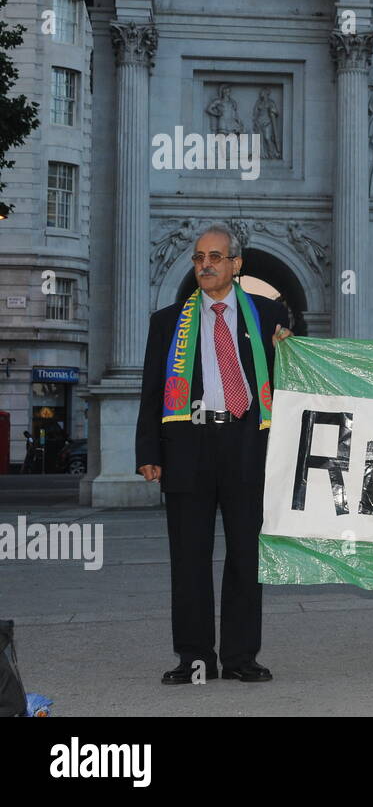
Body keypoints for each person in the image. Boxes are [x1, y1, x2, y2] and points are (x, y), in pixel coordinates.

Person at [135, 223, 293, 685]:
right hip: (188, 446)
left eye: (216, 257)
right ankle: (195, 658)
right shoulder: (167, 322)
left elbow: (295, 374)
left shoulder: (268, 315)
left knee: (247, 557)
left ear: (235, 264)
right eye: (199, 258)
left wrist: (290, 349)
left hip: (248, 443)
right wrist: (148, 449)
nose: (205, 265)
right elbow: (151, 391)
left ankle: (242, 657)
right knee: (189, 559)